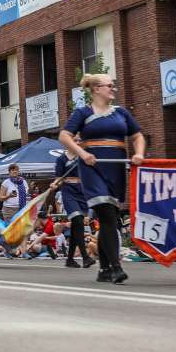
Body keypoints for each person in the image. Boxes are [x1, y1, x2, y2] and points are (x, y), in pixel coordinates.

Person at [59, 73, 146, 285]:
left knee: (111, 218)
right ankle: (116, 267)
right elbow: (64, 136)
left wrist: (139, 154)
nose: (113, 89)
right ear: (96, 89)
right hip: (92, 169)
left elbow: (137, 136)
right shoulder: (83, 113)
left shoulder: (122, 113)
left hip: (115, 169)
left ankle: (104, 269)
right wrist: (82, 153)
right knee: (106, 215)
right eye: (109, 85)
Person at [53, 150, 94, 269]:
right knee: (77, 221)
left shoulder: (83, 157)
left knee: (77, 226)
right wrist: (55, 184)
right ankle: (85, 257)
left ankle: (70, 259)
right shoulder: (61, 159)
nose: (78, 142)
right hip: (68, 191)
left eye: (79, 140)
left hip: (82, 191)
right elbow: (59, 178)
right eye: (75, 140)